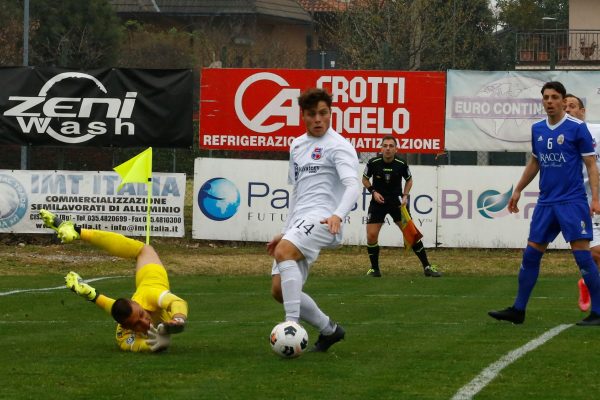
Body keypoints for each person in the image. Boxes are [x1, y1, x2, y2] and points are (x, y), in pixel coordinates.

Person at [488, 81, 600, 326]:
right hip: (546, 203)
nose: (550, 101)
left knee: (583, 257)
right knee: (530, 255)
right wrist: (517, 189)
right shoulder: (538, 129)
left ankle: (598, 312)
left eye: (555, 97)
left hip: (572, 202)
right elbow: (535, 163)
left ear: (562, 101)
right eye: (546, 97)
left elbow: (591, 165)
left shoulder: (577, 128)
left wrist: (596, 198)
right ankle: (518, 309)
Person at [268, 88, 360, 352]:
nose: (319, 119)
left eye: (324, 113)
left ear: (330, 114)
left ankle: (291, 328)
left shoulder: (339, 146)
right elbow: (296, 190)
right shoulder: (297, 145)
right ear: (303, 116)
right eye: (312, 114)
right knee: (279, 291)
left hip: (323, 220)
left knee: (284, 253)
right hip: (299, 222)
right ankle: (331, 330)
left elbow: (352, 185)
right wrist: (285, 231)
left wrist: (337, 215)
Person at [40, 209, 188, 352]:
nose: (145, 322)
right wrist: (157, 345)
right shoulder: (123, 335)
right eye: (136, 324)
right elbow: (141, 345)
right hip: (137, 301)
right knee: (142, 253)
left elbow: (177, 302)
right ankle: (89, 291)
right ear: (125, 326)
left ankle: (77, 231)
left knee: (145, 250)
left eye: (142, 315)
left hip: (151, 281)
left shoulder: (150, 294)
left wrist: (179, 319)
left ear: (138, 305)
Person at [362, 135, 441, 278]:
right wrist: (373, 192)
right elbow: (365, 179)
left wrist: (405, 196)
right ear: (381, 148)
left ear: (396, 149)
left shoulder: (401, 164)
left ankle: (427, 267)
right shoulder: (373, 162)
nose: (387, 149)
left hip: (396, 204)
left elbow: (409, 180)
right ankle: (375, 270)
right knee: (371, 235)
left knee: (411, 234)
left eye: (391, 146)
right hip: (378, 203)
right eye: (385, 146)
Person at [565, 93, 600, 312]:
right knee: (594, 253)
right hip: (580, 204)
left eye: (572, 106)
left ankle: (588, 284)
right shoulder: (558, 136)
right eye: (565, 106)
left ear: (582, 111)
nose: (568, 110)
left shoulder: (595, 131)